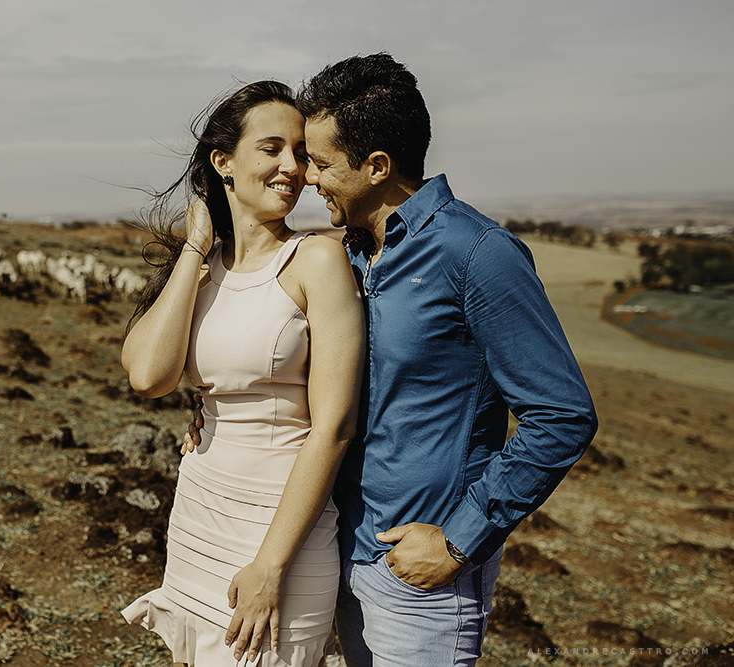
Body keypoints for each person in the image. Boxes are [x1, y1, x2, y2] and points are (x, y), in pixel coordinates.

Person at [186, 54, 599, 666]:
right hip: (337, 546)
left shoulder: (477, 254)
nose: (307, 179)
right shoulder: (345, 252)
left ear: (377, 166)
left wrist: (460, 542)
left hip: (421, 572)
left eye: (321, 163)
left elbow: (562, 415)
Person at [120, 80, 365, 667]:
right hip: (200, 511)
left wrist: (270, 565)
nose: (293, 168)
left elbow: (333, 427)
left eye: (302, 154)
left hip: (281, 534)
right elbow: (149, 377)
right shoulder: (204, 273)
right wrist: (195, 248)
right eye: (273, 148)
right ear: (223, 162)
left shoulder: (317, 260)